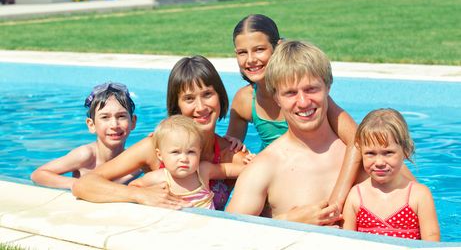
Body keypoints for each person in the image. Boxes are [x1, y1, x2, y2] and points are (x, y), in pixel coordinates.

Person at [72, 56, 247, 210]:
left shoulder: (231, 156)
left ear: (220, 96)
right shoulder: (153, 147)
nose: (200, 107)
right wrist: (139, 195)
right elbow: (84, 185)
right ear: (176, 105)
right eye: (189, 98)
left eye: (207, 94)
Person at [226, 14, 361, 213]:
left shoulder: (314, 99)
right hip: (277, 172)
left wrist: (337, 200)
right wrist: (244, 163)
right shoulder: (245, 100)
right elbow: (229, 150)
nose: (251, 59)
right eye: (242, 52)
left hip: (307, 161)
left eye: (260, 49)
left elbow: (358, 141)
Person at [342, 109, 440, 241]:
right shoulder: (356, 196)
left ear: (406, 151)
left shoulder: (419, 195)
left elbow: (432, 244)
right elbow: (346, 243)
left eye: (388, 153)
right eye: (370, 153)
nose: (379, 162)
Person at [31, 82, 139, 189]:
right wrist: (78, 184)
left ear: (133, 122)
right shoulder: (86, 155)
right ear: (91, 125)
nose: (114, 125)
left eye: (121, 116)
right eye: (105, 117)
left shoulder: (134, 162)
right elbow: (39, 174)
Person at [130, 115, 245, 209]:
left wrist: (251, 164)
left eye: (191, 152)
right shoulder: (159, 177)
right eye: (175, 152)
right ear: (160, 155)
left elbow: (226, 170)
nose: (184, 158)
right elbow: (133, 187)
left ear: (199, 152)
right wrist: (150, 193)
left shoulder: (203, 171)